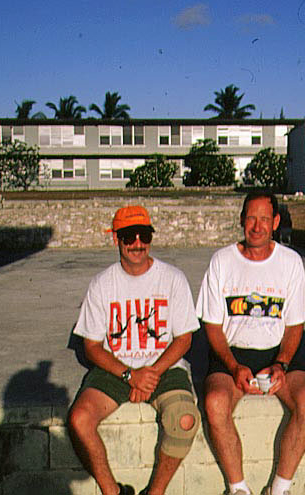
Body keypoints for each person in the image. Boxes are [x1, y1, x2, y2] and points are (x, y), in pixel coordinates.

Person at [67, 206, 201, 495]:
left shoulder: (173, 278)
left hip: (162, 368)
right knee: (79, 420)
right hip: (117, 368)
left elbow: (184, 339)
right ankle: (112, 491)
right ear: (117, 239)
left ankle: (155, 493)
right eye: (129, 236)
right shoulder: (102, 284)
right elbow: (91, 346)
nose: (137, 243)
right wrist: (130, 375)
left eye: (144, 235)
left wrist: (149, 374)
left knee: (185, 419)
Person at [196, 193, 305, 495]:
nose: (257, 226)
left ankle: (279, 488)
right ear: (241, 220)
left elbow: (294, 325)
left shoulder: (290, 262)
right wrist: (233, 366)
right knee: (215, 403)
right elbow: (211, 326)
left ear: (275, 222)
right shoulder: (222, 261)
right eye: (251, 218)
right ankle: (238, 488)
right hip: (231, 355)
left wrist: (282, 363)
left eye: (265, 219)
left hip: (279, 354)